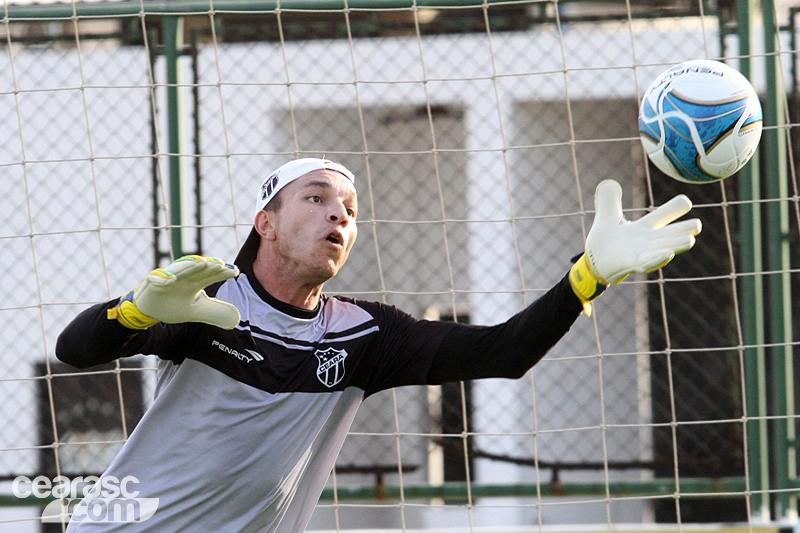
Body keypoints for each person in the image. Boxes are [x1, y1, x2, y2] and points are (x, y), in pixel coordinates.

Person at [56, 158, 701, 532]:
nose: (340, 214)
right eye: (317, 198)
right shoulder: (208, 303)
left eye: (350, 207)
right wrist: (133, 314)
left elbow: (503, 353)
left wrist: (587, 275)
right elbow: (73, 350)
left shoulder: (364, 334)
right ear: (266, 223)